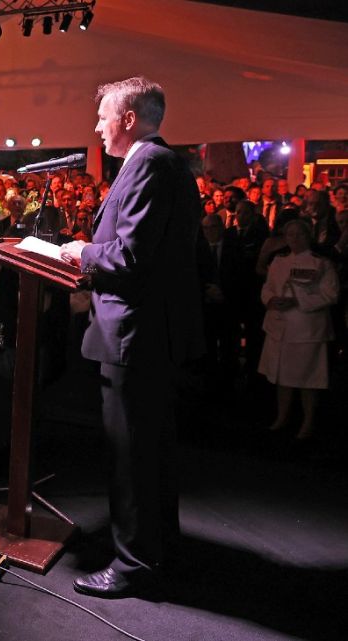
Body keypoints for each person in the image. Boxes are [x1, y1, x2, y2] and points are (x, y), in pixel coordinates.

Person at [60, 77, 203, 598]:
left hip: (135, 336)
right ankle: (159, 548)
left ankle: (133, 564)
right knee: (150, 450)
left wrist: (81, 252)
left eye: (102, 116)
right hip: (149, 334)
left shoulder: (148, 164)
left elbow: (130, 255)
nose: (97, 126)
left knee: (132, 456)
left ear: (127, 119)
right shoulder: (164, 163)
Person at [259, 219, 338, 440]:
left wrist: (299, 300)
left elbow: (331, 294)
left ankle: (308, 421)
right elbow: (268, 287)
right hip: (280, 327)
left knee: (307, 379)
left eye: (299, 235)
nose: (294, 239)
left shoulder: (320, 263)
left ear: (308, 236)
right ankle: (282, 417)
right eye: (290, 235)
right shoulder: (279, 261)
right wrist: (271, 299)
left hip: (307, 331)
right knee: (282, 377)